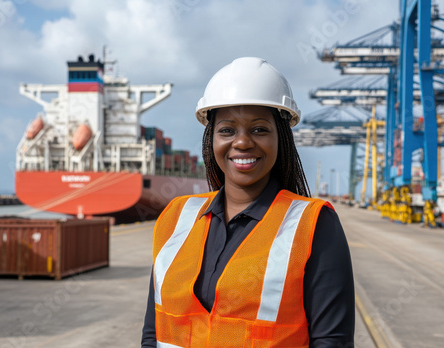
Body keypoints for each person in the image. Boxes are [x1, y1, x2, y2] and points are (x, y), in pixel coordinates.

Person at [142, 57, 354, 347]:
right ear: (211, 139)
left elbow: (332, 342)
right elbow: (154, 332)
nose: (242, 142)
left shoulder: (313, 224)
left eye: (259, 129)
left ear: (281, 139)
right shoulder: (176, 217)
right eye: (227, 130)